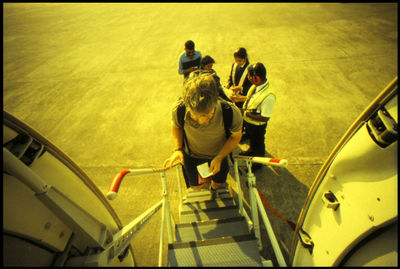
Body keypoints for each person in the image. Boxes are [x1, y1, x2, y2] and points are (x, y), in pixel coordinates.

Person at [163, 74, 242, 198]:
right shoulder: (179, 110)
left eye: (207, 114)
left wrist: (220, 157)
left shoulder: (231, 112)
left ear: (215, 101)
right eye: (196, 115)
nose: (202, 121)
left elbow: (236, 137)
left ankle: (214, 190)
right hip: (191, 156)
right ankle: (203, 188)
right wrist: (177, 149)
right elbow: (176, 126)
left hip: (218, 155)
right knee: (196, 186)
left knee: (218, 182)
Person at [240, 62, 276, 171]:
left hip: (257, 127)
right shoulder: (256, 86)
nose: (249, 78)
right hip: (250, 124)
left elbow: (265, 117)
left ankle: (258, 163)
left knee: (258, 143)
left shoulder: (268, 96)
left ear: (257, 78)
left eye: (250, 76)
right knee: (252, 141)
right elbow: (251, 99)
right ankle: (251, 150)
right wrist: (238, 98)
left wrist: (245, 114)